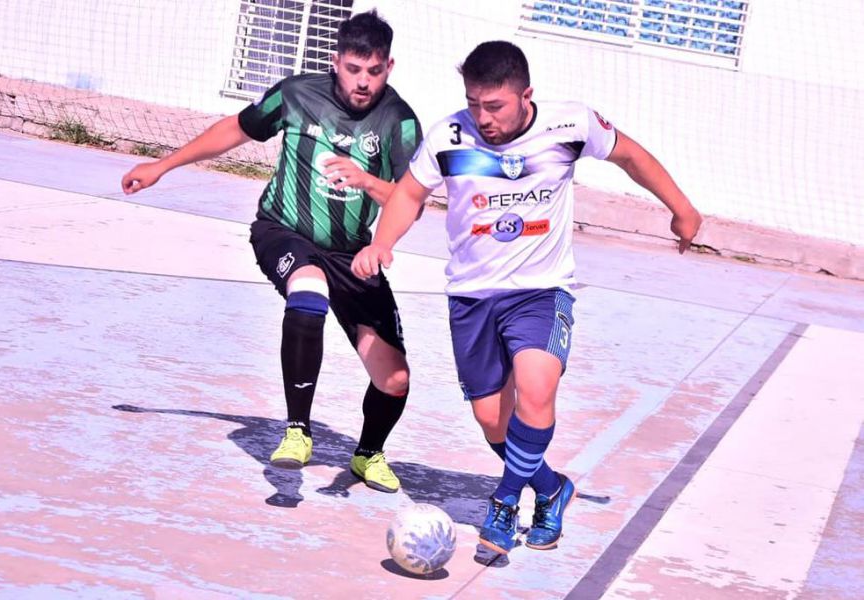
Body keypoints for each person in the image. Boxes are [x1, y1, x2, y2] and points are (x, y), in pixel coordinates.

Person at [351, 41, 702, 552]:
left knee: (536, 391)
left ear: (525, 95)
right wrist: (382, 243)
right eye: (474, 103)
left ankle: (504, 504)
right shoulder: (449, 135)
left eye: (494, 105)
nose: (482, 117)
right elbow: (408, 192)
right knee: (493, 420)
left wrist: (682, 208)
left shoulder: (570, 126)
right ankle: (552, 488)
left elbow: (630, 155)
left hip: (541, 291)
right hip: (471, 297)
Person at [121, 10, 422, 494]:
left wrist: (368, 184)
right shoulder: (298, 94)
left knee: (395, 380)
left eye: (374, 71)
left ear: (390, 66)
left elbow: (412, 200)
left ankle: (368, 454)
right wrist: (163, 165)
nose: (363, 82)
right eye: (353, 69)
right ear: (335, 61)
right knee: (308, 290)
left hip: (352, 255)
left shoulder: (399, 122)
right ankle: (297, 431)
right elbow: (235, 130)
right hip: (284, 231)